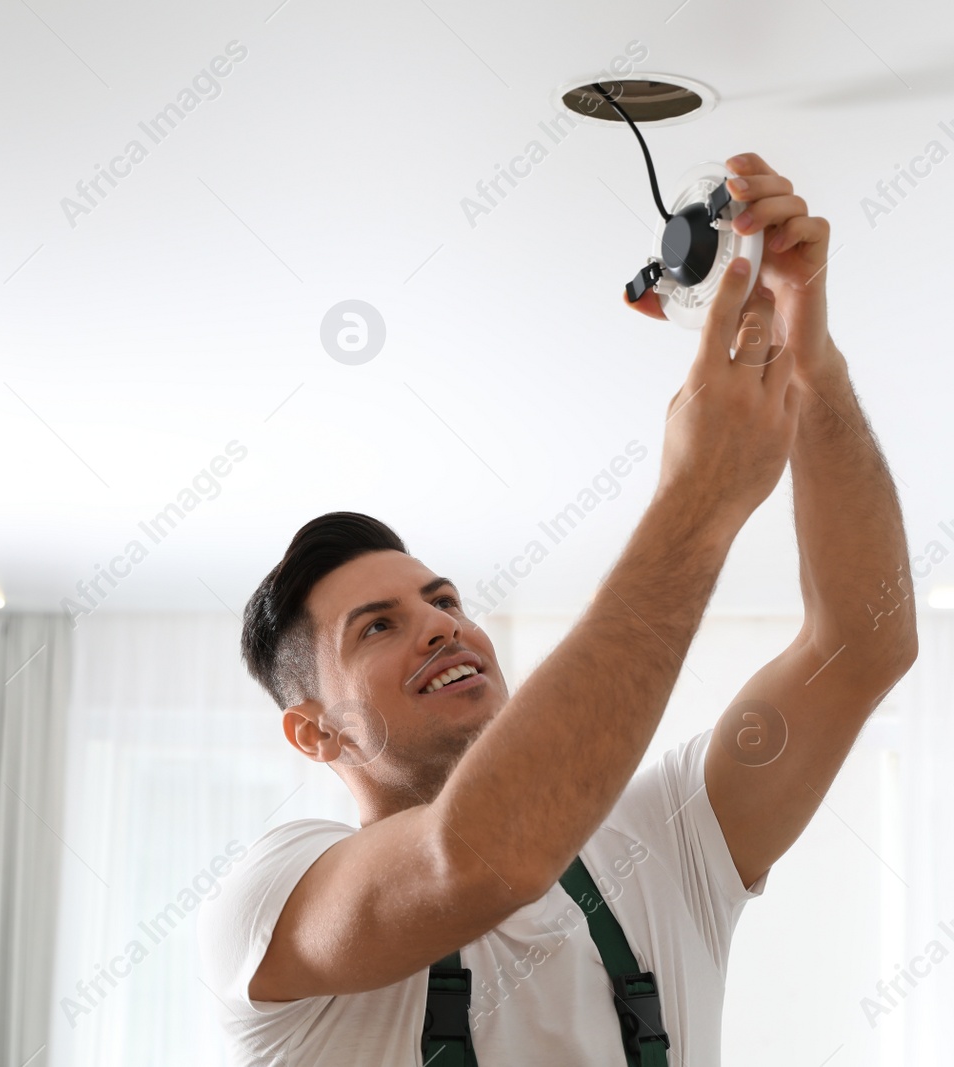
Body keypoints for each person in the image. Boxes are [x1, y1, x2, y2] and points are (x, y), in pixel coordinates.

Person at [197, 152, 917, 1064]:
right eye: (376, 625)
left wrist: (812, 366)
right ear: (315, 733)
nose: (439, 624)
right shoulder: (270, 898)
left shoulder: (668, 843)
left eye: (442, 597)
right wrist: (694, 505)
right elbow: (480, 859)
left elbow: (863, 645)